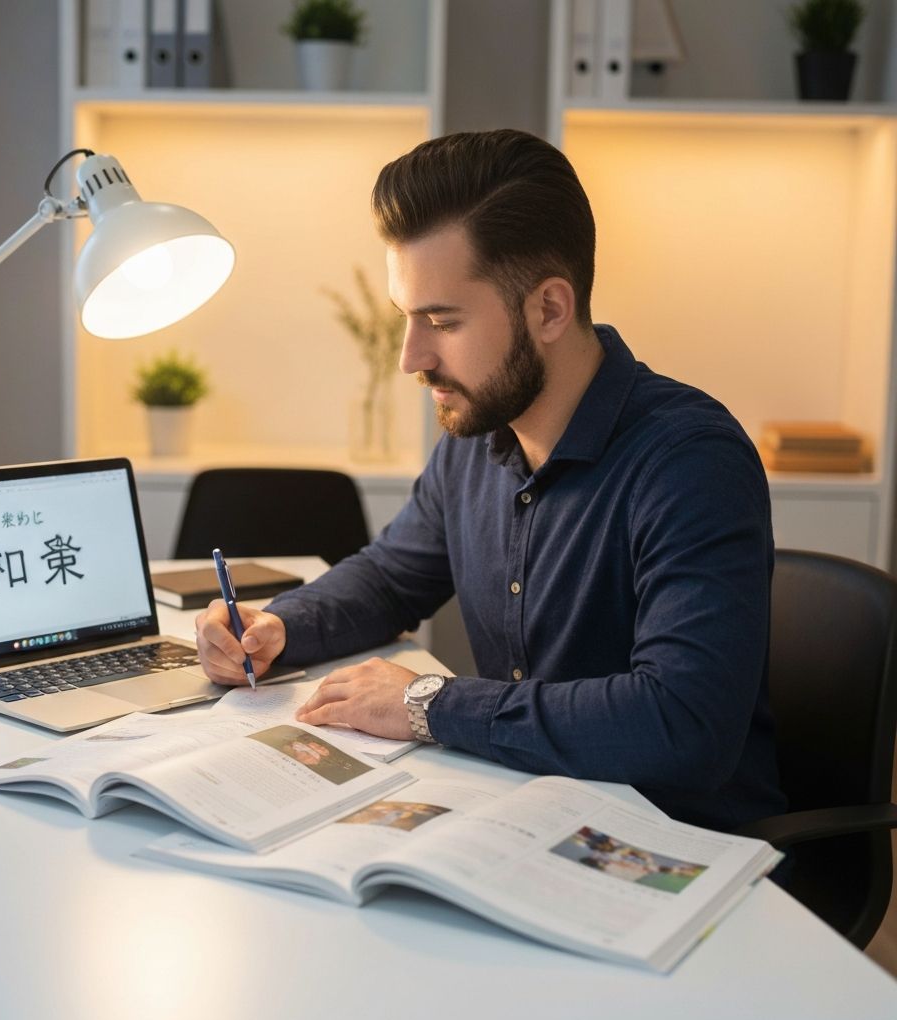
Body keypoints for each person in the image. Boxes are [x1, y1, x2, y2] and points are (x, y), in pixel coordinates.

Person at [196, 128, 786, 833]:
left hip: (673, 842)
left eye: (442, 321)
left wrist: (429, 704)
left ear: (549, 309)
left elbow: (681, 725)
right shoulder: (480, 433)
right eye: (407, 319)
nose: (413, 357)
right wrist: (275, 627)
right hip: (527, 813)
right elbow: (390, 578)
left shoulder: (689, 460)